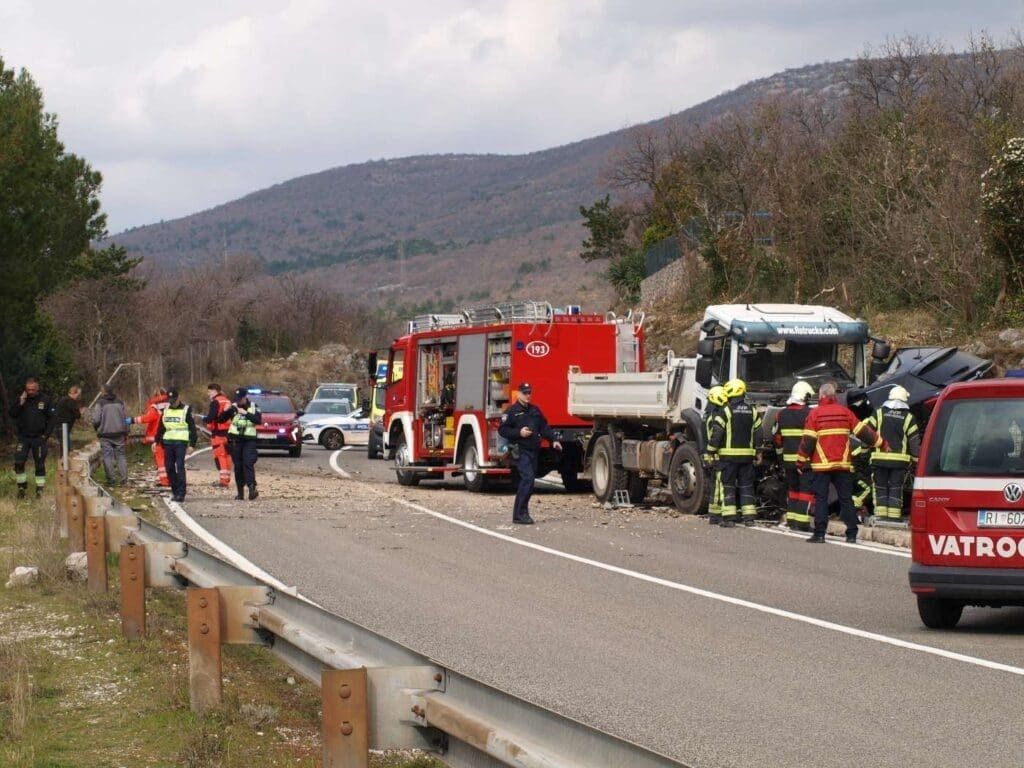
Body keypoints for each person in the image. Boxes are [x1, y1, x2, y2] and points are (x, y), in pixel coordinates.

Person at [796, 381, 882, 544]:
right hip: (843, 465)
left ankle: (820, 533)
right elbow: (864, 433)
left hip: (821, 465)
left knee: (821, 498)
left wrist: (800, 462)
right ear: (834, 396)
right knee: (846, 499)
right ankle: (851, 533)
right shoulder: (845, 412)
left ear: (821, 396)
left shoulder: (815, 414)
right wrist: (882, 444)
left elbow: (807, 441)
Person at [498, 382, 562, 524]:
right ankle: (520, 514)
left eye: (529, 393)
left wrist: (554, 440)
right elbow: (502, 430)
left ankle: (521, 513)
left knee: (529, 481)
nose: (527, 396)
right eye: (525, 393)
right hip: (521, 450)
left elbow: (544, 427)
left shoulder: (535, 411)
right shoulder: (512, 411)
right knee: (527, 480)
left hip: (534, 451)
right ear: (519, 393)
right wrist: (519, 433)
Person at [861, 384, 920, 522]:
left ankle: (881, 516)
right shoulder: (909, 417)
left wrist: (864, 451)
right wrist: (916, 461)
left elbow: (867, 433)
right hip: (900, 462)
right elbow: (914, 442)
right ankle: (893, 518)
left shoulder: (879, 413)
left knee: (880, 487)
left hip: (879, 459)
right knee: (896, 489)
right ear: (904, 399)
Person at [708, 379, 761, 527]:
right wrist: (759, 451)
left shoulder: (725, 411)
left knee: (728, 485)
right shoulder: (753, 410)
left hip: (728, 457)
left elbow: (716, 433)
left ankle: (729, 518)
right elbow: (758, 433)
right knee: (746, 486)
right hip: (747, 457)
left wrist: (710, 451)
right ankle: (749, 518)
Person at [772, 381, 815, 532]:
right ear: (804, 396)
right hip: (805, 461)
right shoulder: (810, 414)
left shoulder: (781, 414)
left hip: (788, 461)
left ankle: (791, 520)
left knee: (793, 490)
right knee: (805, 492)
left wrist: (780, 458)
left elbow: (776, 438)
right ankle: (802, 523)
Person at [9, 377, 55, 499]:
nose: (31, 392)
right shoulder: (22, 399)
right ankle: (21, 487)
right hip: (23, 437)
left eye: (33, 390)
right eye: (28, 389)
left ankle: (39, 490)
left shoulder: (45, 400)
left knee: (39, 464)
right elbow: (12, 414)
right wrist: (21, 401)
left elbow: (52, 419)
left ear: (37, 388)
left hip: (39, 438)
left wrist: (46, 435)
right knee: (18, 462)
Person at [218, 388, 262, 501]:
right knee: (238, 467)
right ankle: (240, 493)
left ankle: (252, 488)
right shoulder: (233, 408)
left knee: (248, 463)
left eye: (240, 399)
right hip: (235, 441)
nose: (238, 402)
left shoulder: (253, 406)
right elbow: (220, 420)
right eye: (236, 400)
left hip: (249, 440)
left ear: (245, 397)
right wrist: (226, 411)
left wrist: (245, 413)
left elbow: (258, 420)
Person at [155, 388, 197, 503]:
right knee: (168, 467)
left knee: (180, 466)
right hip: (168, 442)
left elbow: (192, 428)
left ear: (178, 398)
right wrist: (156, 441)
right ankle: (175, 490)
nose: (171, 402)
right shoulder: (166, 409)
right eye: (169, 400)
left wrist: (192, 444)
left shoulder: (186, 410)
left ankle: (181, 493)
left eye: (173, 400)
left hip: (180, 442)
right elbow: (161, 427)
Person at [91, 385, 131, 486]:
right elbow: (127, 418)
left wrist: (96, 429)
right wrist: (127, 431)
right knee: (121, 456)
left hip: (105, 434)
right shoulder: (120, 402)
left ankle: (111, 480)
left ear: (103, 392)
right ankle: (124, 480)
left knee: (107, 457)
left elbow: (96, 419)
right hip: (120, 433)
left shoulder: (100, 403)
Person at [703, 385, 728, 525]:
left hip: (715, 456)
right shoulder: (716, 417)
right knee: (719, 486)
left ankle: (715, 513)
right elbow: (714, 438)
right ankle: (716, 514)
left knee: (717, 485)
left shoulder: (712, 416)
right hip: (718, 456)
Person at [135, 388, 170, 487]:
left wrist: (133, 420)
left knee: (160, 460)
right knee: (170, 459)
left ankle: (165, 481)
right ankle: (171, 478)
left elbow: (147, 418)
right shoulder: (172, 404)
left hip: (157, 436)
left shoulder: (155, 406)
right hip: (172, 436)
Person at [202, 383, 234, 489]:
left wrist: (204, 419)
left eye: (209, 391)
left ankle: (223, 481)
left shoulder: (215, 402)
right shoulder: (227, 400)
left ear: (215, 391)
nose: (208, 394)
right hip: (228, 432)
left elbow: (211, 416)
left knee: (220, 456)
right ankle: (226, 479)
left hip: (218, 433)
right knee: (227, 455)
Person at [55, 385, 83, 454]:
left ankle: (64, 461)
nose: (78, 397)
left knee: (64, 446)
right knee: (66, 447)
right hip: (63, 427)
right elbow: (78, 415)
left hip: (59, 426)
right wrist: (81, 412)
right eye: (78, 394)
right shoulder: (71, 401)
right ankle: (64, 462)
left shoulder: (63, 399)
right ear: (73, 393)